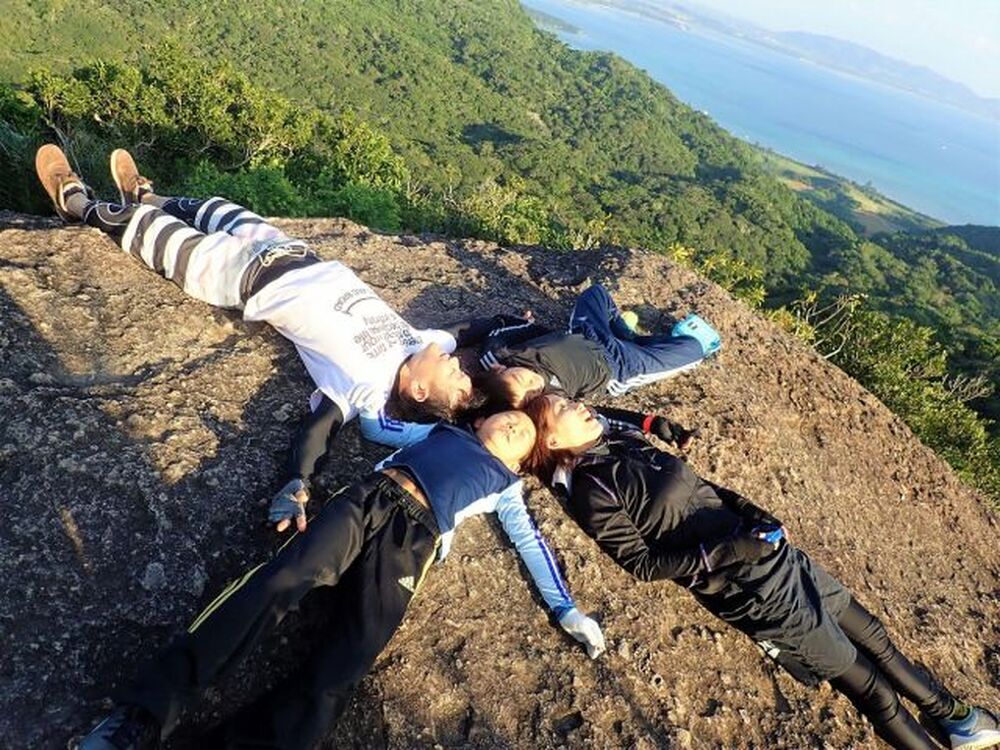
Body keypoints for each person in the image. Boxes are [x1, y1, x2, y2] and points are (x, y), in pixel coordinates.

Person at [78, 410, 605, 749]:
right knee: (278, 582)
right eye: (509, 417)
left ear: (522, 461)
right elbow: (375, 423)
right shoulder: (441, 431)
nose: (514, 426)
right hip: (368, 500)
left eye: (523, 434)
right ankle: (143, 715)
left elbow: (531, 543)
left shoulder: (506, 487)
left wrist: (567, 610)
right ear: (483, 420)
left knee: (348, 659)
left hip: (414, 542)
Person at [35, 144, 489, 532]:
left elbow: (320, 429)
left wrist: (298, 482)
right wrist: (517, 328)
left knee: (148, 231)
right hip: (291, 251)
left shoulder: (365, 387)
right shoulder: (421, 341)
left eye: (456, 378)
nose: (457, 364)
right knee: (217, 208)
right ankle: (147, 195)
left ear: (419, 391)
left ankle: (75, 201)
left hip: (241, 276)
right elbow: (470, 331)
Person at [521, 393, 1000, 750]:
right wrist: (734, 548)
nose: (577, 405)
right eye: (563, 408)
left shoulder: (621, 440)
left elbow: (703, 487)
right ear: (552, 440)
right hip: (751, 592)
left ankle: (956, 719)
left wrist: (755, 513)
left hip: (772, 554)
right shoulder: (591, 492)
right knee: (871, 689)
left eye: (571, 398)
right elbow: (643, 565)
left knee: (874, 635)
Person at [357, 282, 718, 449]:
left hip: (584, 333)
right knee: (693, 348)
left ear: (497, 372)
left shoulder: (499, 356)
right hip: (618, 364)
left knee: (596, 293)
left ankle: (627, 332)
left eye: (517, 376)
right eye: (530, 386)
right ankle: (632, 339)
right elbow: (593, 416)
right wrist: (649, 423)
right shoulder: (543, 400)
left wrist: (520, 325)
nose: (529, 379)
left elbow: (510, 329)